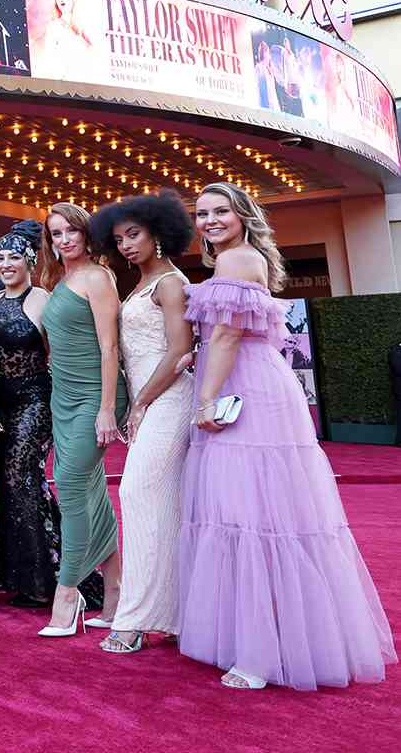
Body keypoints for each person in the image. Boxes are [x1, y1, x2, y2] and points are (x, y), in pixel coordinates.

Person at [181, 182, 396, 690]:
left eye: (220, 211)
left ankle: (263, 655)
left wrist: (206, 399)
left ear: (243, 214)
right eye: (202, 213)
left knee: (254, 516)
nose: (209, 220)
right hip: (252, 384)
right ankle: (261, 641)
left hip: (246, 394)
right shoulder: (239, 259)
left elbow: (230, 335)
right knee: (249, 514)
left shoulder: (236, 262)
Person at [88, 191, 196, 655]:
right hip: (153, 403)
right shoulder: (138, 283)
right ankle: (174, 616)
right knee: (166, 506)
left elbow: (179, 352)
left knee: (136, 494)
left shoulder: (171, 282)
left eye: (135, 234)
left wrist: (138, 404)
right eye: (119, 238)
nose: (127, 244)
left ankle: (134, 619)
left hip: (169, 400)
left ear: (158, 232)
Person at [37, 202, 125, 637]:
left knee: (69, 486)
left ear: (86, 234)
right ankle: (115, 597)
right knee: (92, 494)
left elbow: (110, 348)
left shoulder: (98, 277)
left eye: (71, 230)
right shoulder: (60, 280)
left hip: (95, 397)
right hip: (64, 398)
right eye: (56, 233)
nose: (65, 239)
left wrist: (108, 408)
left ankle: (68, 592)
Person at [0, 222, 60, 607]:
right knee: (0, 480)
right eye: (0, 258)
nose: (6, 264)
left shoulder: (43, 299)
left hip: (35, 401)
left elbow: (57, 356)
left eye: (14, 257)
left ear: (29, 260)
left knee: (20, 476)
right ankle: (10, 572)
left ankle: (41, 580)